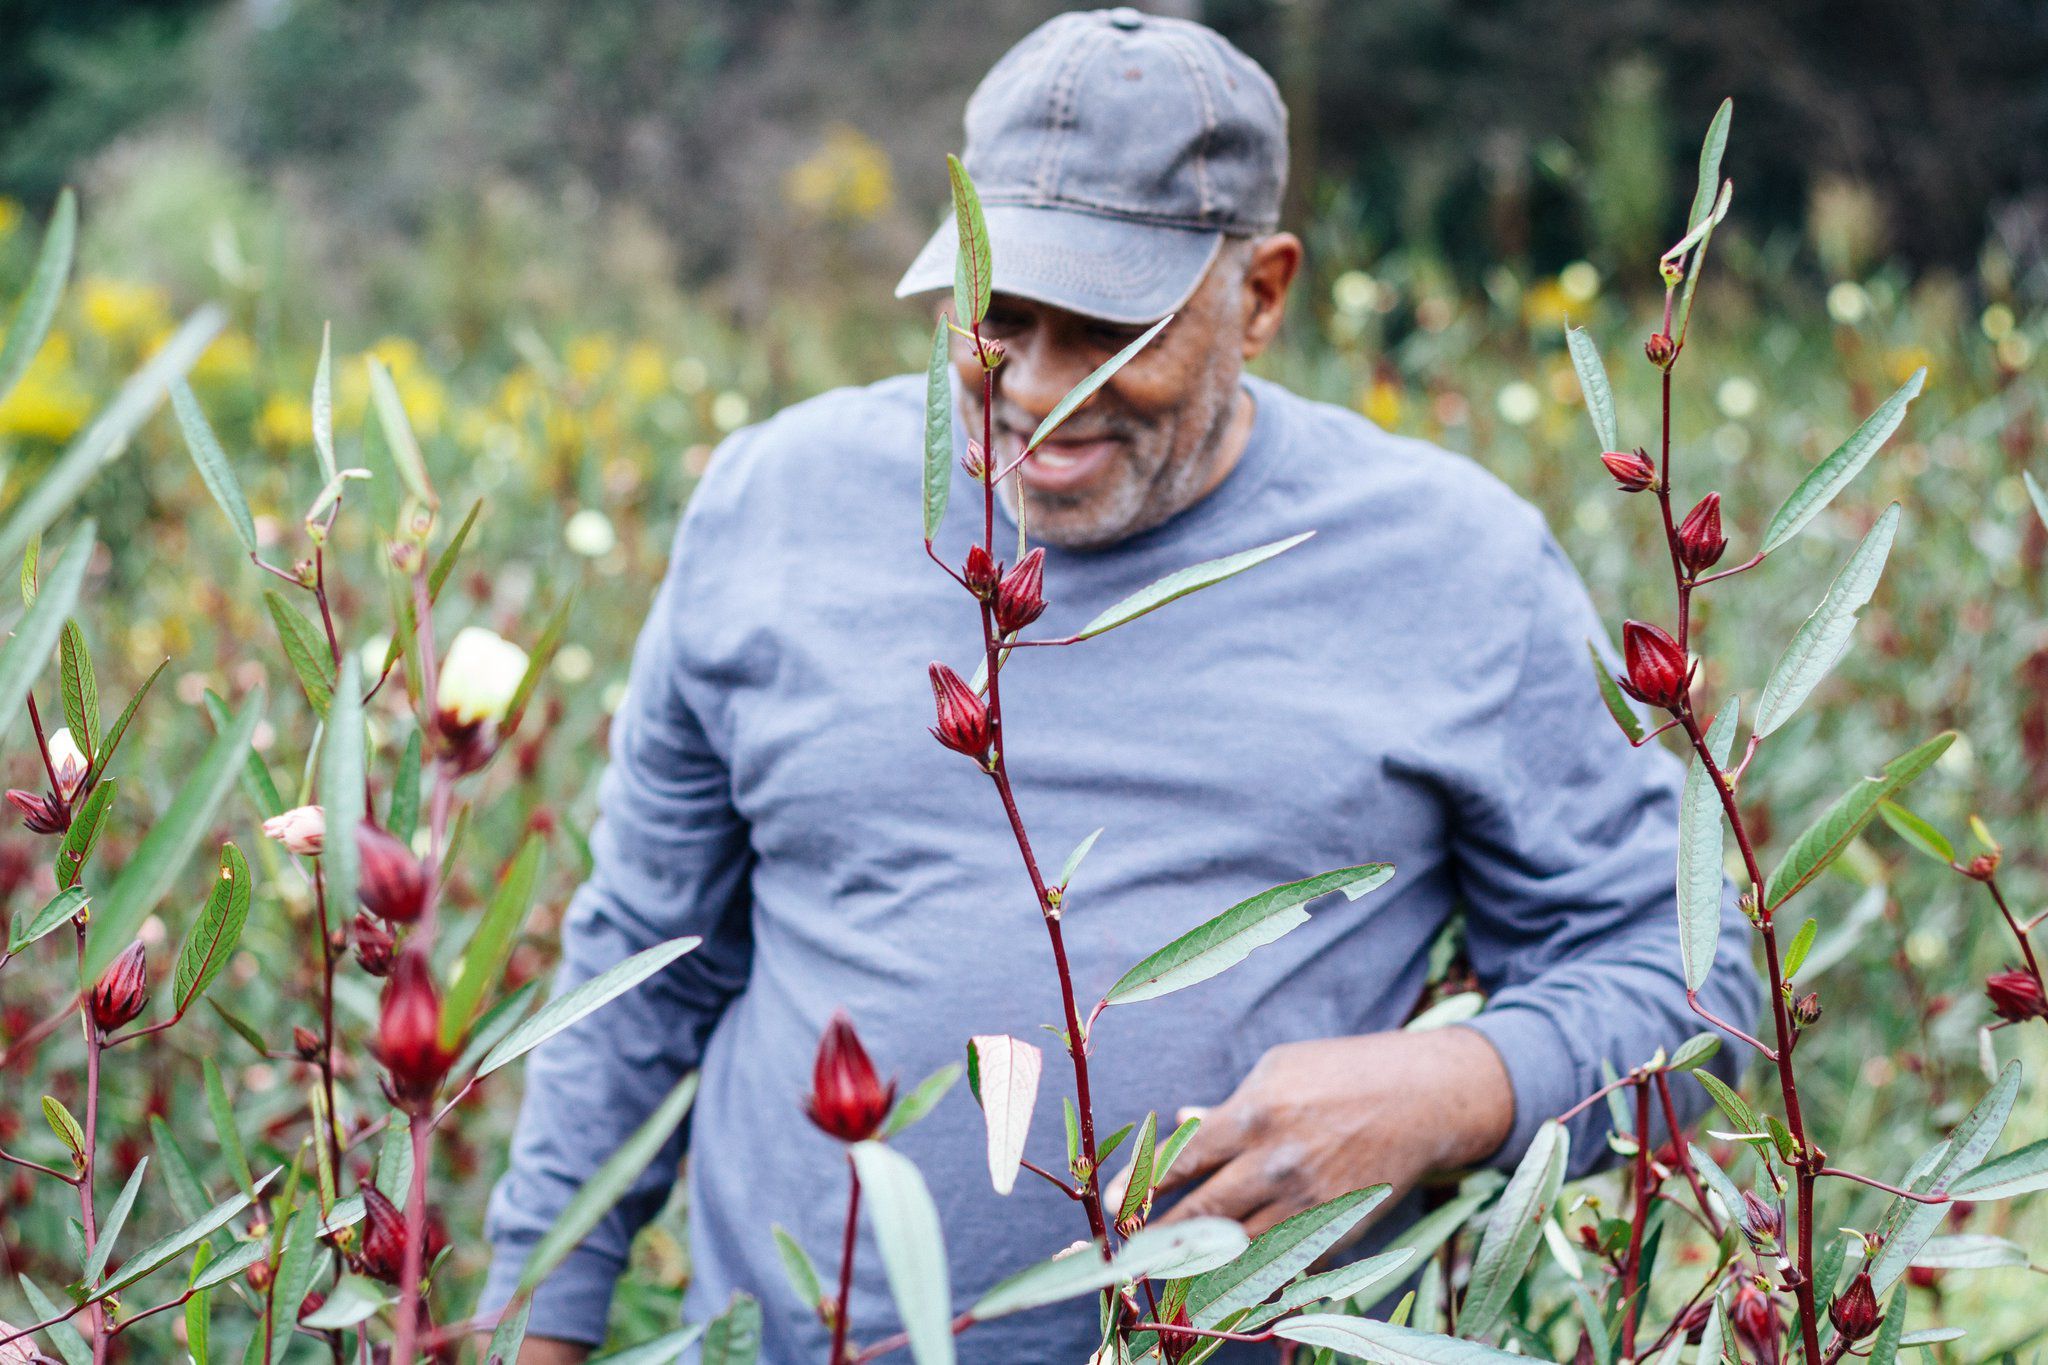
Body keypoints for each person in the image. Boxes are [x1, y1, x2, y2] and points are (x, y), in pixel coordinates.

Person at [482, 8, 1760, 1362]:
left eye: (1108, 327)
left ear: (1261, 294)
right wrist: (539, 1319)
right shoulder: (770, 506)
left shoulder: (1455, 565)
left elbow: (1692, 984)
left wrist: (1459, 1088)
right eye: (999, 316)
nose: (1039, 385)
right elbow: (642, 961)